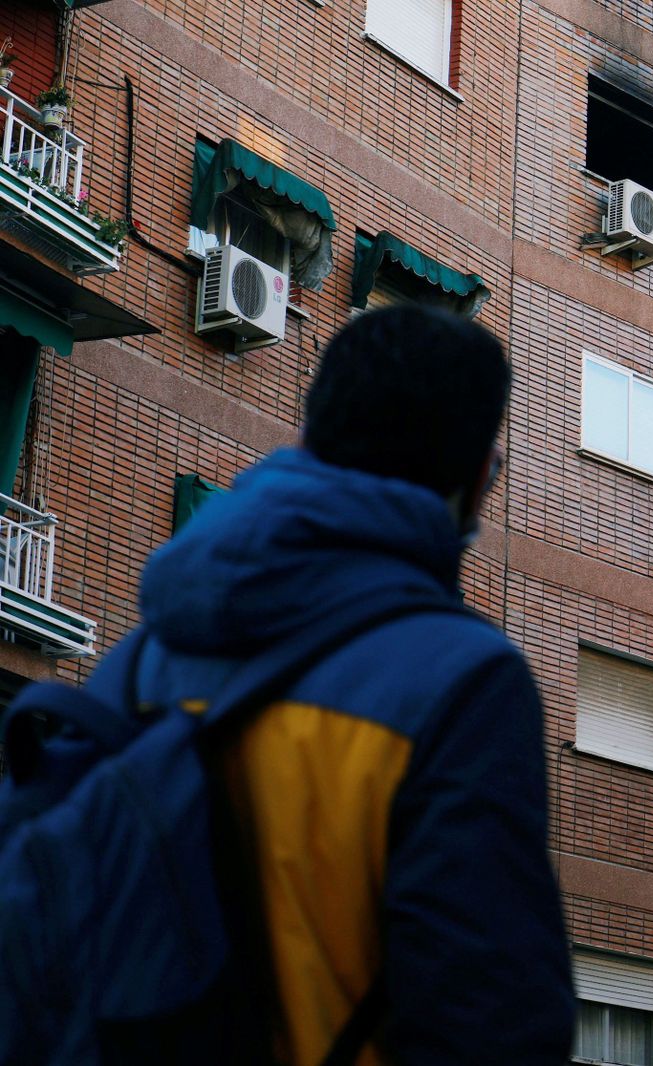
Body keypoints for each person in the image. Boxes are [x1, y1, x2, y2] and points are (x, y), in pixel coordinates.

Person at [121, 305, 573, 1063]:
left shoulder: (145, 656)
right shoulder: (458, 682)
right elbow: (488, 1019)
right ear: (481, 476)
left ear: (312, 437)